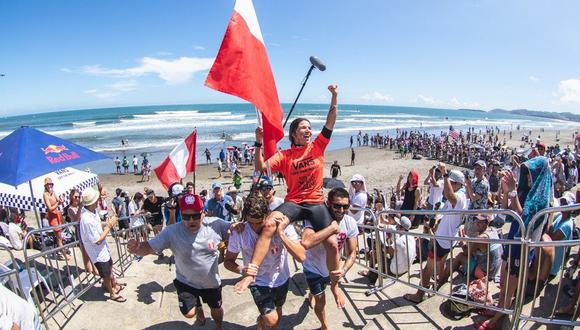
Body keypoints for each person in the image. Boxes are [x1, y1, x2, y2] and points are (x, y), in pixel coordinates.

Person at [234, 85, 345, 308]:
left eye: (309, 128)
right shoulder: (284, 156)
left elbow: (330, 120)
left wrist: (334, 96)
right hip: (294, 202)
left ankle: (335, 283)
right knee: (268, 225)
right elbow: (260, 168)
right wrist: (258, 143)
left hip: (315, 203)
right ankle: (251, 272)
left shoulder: (318, 146)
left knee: (332, 243)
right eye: (303, 128)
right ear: (293, 134)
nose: (308, 131)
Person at [128, 193, 231, 329]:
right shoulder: (172, 231)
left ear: (203, 213)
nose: (191, 220)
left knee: (216, 310)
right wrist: (136, 248)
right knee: (189, 314)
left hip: (210, 283)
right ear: (181, 214)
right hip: (186, 282)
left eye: (195, 215)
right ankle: (198, 307)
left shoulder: (216, 224)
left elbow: (236, 228)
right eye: (186, 216)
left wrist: (236, 227)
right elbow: (148, 247)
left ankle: (219, 326)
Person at [480, 156, 553, 330]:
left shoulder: (540, 198)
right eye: (526, 173)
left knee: (512, 282)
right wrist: (506, 191)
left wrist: (513, 192)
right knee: (504, 280)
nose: (527, 177)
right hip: (513, 239)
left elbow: (526, 220)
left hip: (523, 247)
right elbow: (506, 213)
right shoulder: (525, 191)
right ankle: (499, 309)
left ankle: (497, 319)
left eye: (531, 174)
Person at [224, 194, 304, 329]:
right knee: (271, 319)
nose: (255, 227)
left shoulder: (283, 226)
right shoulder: (240, 232)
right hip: (258, 281)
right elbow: (228, 261)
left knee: (277, 311)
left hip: (281, 278)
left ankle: (264, 322)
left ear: (268, 215)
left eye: (259, 222)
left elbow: (301, 256)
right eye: (251, 222)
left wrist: (281, 233)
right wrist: (243, 270)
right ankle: (264, 321)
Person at [404, 166, 467, 304]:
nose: (446, 186)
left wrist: (445, 174)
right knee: (442, 262)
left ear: (455, 184)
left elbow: (450, 196)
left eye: (450, 183)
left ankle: (419, 295)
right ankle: (440, 282)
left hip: (444, 240)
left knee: (427, 269)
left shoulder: (460, 197)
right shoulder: (461, 196)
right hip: (447, 238)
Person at [301, 188, 358, 329]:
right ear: (328, 204)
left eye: (345, 206)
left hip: (333, 268)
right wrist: (331, 229)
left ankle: (311, 295)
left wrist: (343, 270)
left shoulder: (350, 222)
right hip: (312, 267)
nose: (341, 210)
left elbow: (352, 252)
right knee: (321, 302)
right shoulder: (315, 218)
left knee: (320, 291)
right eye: (337, 206)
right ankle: (324, 325)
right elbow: (306, 242)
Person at [79, 187, 126, 302]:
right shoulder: (86, 219)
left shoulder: (92, 212)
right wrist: (109, 226)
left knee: (109, 267)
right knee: (105, 273)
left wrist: (107, 222)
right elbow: (97, 240)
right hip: (97, 251)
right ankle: (112, 293)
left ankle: (111, 285)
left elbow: (98, 225)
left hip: (102, 249)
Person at [67, 189, 96, 275]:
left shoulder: (82, 206)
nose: (77, 198)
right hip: (79, 230)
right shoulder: (70, 209)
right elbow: (76, 219)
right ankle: (89, 269)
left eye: (78, 197)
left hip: (85, 228)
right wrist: (80, 208)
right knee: (84, 251)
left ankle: (94, 269)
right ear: (71, 197)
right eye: (75, 197)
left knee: (90, 248)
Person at [42, 177, 71, 260]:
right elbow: (50, 208)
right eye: (48, 184)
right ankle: (64, 256)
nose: (50, 185)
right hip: (52, 217)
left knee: (60, 236)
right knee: (59, 238)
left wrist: (61, 199)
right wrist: (58, 203)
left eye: (51, 184)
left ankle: (59, 251)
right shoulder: (45, 195)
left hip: (58, 215)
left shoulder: (53, 192)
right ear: (46, 186)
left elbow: (59, 200)